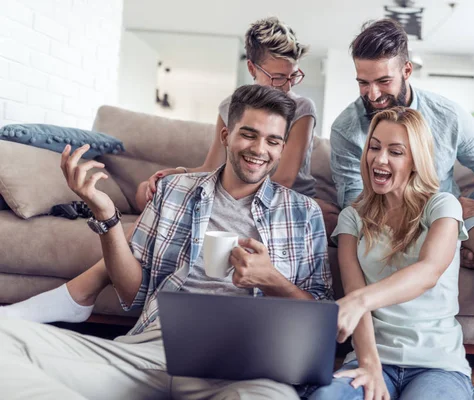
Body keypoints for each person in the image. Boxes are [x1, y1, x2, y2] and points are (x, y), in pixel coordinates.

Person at [0, 84, 333, 399]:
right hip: (154, 350)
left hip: (248, 365)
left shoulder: (303, 213)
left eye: (273, 141)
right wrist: (106, 215)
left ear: (283, 148)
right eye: (249, 134)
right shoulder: (174, 191)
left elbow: (321, 322)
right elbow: (132, 293)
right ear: (226, 136)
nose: (260, 149)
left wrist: (272, 280)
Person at [0, 16, 338, 324]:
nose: (285, 85)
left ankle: (79, 294)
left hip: (291, 193)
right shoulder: (232, 107)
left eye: (293, 76)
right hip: (229, 188)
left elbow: (283, 177)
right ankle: (79, 295)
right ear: (252, 67)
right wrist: (175, 176)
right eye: (276, 76)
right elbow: (212, 166)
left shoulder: (299, 108)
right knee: (165, 208)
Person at [329, 19, 474, 400]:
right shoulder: (346, 129)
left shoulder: (447, 114)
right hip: (381, 211)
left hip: (444, 208)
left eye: (382, 81)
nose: (372, 93)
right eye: (362, 82)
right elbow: (360, 201)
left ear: (406, 70)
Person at [306, 107, 472, 399]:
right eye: (374, 147)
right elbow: (355, 290)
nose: (379, 159)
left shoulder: (443, 207)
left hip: (437, 365)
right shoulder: (352, 218)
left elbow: (428, 272)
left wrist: (358, 301)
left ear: (415, 161)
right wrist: (369, 365)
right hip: (372, 358)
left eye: (395, 152)